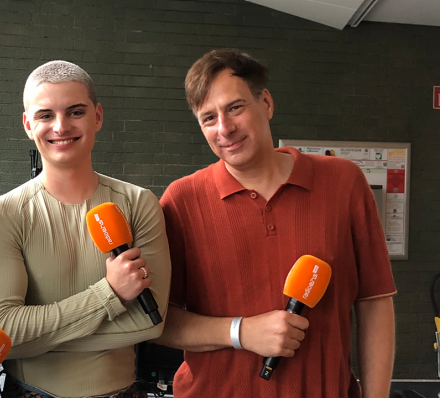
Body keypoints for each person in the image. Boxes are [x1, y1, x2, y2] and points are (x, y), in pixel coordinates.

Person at [153, 49, 396, 398]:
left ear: (265, 102)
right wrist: (241, 332)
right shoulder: (182, 200)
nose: (224, 128)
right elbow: (159, 323)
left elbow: (374, 300)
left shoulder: (344, 182)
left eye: (235, 107)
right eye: (208, 118)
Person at [0, 60, 171, 398]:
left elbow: (150, 323)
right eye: (45, 115)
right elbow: (2, 332)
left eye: (75, 112)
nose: (61, 126)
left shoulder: (139, 203)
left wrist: (36, 340)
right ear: (27, 124)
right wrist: (109, 294)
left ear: (97, 116)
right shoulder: (3, 214)